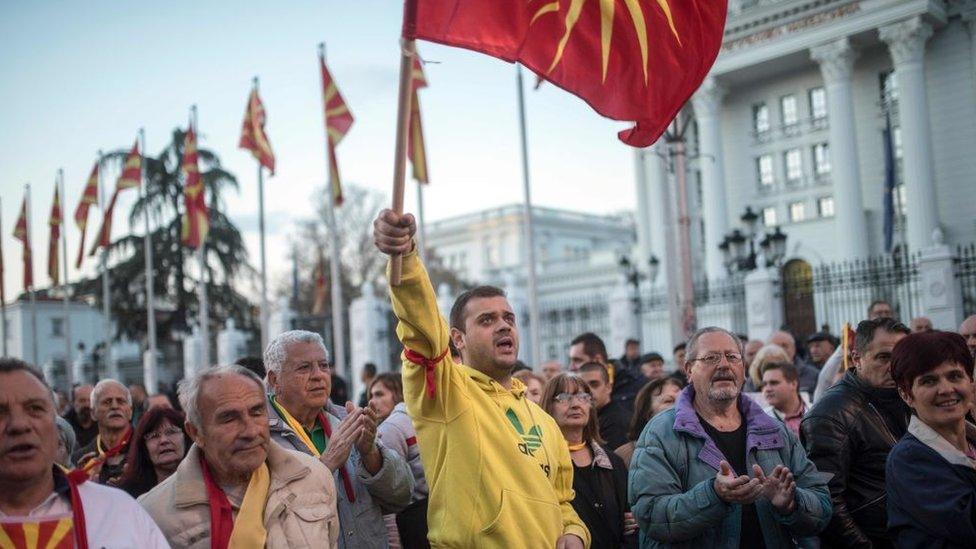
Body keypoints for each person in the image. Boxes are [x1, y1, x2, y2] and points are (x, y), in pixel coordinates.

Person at [375, 209, 589, 548]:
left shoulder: (545, 422)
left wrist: (576, 534)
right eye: (487, 320)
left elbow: (562, 502)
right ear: (457, 339)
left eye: (509, 318)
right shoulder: (446, 393)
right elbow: (422, 330)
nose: (504, 325)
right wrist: (406, 256)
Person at [629, 327, 832, 548]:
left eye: (732, 357)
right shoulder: (661, 432)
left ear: (743, 369)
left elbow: (821, 505)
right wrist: (714, 495)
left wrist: (792, 503)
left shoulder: (774, 429)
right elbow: (650, 514)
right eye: (711, 357)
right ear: (688, 370)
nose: (724, 365)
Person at [139, 364, 340, 548]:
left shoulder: (314, 477)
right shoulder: (153, 513)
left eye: (256, 412)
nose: (250, 431)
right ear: (195, 433)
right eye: (229, 418)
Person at [264, 330, 413, 549]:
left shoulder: (347, 419)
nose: (318, 375)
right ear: (275, 379)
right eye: (304, 367)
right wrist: (327, 464)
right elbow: (268, 519)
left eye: (323, 365)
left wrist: (371, 454)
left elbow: (401, 496)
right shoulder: (260, 438)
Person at [0, 359, 169, 548]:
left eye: (35, 409)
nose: (19, 425)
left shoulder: (118, 511)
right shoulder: (83, 458)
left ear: (56, 426)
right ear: (94, 412)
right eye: (0, 412)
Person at [800, 317, 911, 548]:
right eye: (883, 357)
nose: (894, 366)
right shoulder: (830, 415)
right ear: (857, 358)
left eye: (901, 358)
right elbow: (827, 500)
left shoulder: (910, 397)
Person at [886, 330, 976, 547]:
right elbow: (969, 527)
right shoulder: (908, 460)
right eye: (929, 381)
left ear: (971, 383)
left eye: (955, 376)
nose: (946, 389)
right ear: (906, 395)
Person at [543, 373, 638, 548]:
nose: (576, 404)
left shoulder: (612, 461)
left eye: (583, 397)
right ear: (548, 407)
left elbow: (631, 526)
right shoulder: (543, 463)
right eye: (564, 397)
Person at [370, 373, 431, 549]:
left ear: (398, 392)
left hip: (420, 521)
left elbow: (389, 493)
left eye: (380, 394)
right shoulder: (397, 426)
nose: (373, 402)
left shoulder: (392, 428)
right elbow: (388, 492)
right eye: (371, 396)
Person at [117, 407, 189, 498]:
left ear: (186, 437)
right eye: (154, 436)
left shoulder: (204, 482)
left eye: (171, 432)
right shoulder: (128, 495)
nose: (164, 440)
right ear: (143, 447)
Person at [73, 379, 133, 485]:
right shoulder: (80, 460)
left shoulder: (146, 449)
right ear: (93, 413)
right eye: (107, 402)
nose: (115, 406)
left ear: (130, 412)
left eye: (121, 401)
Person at [614, 377, 684, 466]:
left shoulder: (702, 448)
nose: (680, 406)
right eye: (669, 401)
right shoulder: (625, 456)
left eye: (684, 401)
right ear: (648, 413)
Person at [572, 332, 647, 415]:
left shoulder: (637, 383)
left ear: (597, 360)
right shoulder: (573, 390)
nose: (571, 367)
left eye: (577, 360)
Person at [579, 362, 629, 451]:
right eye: (583, 387)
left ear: (608, 387)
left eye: (594, 384)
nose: (588, 391)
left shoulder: (617, 421)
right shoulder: (586, 417)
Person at [760, 361, 809, 437]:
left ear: (793, 384)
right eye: (764, 384)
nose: (767, 389)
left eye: (774, 383)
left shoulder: (816, 412)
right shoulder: (760, 419)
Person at [768, 330, 820, 394]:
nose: (781, 350)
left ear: (794, 349)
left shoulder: (813, 375)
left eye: (784, 346)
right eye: (776, 347)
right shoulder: (758, 375)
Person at [63, 383, 97, 448]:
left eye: (90, 400)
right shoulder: (64, 426)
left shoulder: (102, 423)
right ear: (73, 403)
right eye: (82, 401)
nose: (87, 404)